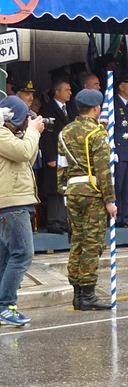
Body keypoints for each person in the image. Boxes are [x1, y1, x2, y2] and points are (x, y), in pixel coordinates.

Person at [57, 89, 117, 311]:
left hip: (72, 191)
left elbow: (61, 166)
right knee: (92, 243)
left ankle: (78, 293)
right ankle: (88, 294)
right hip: (92, 192)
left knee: (78, 242)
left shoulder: (65, 132)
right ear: (96, 109)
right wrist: (110, 200)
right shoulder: (97, 133)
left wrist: (63, 189)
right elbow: (104, 170)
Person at [0, 97, 44, 326]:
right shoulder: (1, 134)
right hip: (11, 203)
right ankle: (6, 306)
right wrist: (33, 132)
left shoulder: (11, 135)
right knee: (23, 253)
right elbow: (25, 153)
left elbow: (30, 157)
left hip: (13, 202)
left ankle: (2, 306)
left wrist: (29, 132)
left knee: (6, 256)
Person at [40, 79, 75, 233]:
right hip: (55, 156)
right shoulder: (47, 109)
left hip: (67, 156)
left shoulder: (70, 109)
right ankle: (53, 221)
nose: (70, 92)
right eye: (66, 90)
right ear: (57, 92)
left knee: (65, 188)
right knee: (54, 189)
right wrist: (50, 157)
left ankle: (62, 220)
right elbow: (46, 136)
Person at [113, 72, 128, 227]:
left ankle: (125, 217)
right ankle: (116, 217)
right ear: (121, 87)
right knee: (118, 186)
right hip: (119, 151)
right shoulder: (114, 104)